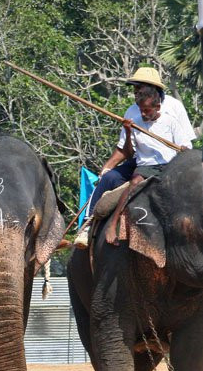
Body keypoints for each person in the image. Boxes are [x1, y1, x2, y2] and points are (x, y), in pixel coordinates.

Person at [75, 68, 195, 248]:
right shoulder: (133, 111)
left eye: (139, 87)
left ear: (154, 93)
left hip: (171, 162)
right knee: (110, 178)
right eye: (134, 88)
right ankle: (88, 224)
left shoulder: (174, 108)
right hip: (143, 162)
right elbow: (127, 150)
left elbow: (185, 144)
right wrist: (108, 165)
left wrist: (183, 153)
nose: (135, 91)